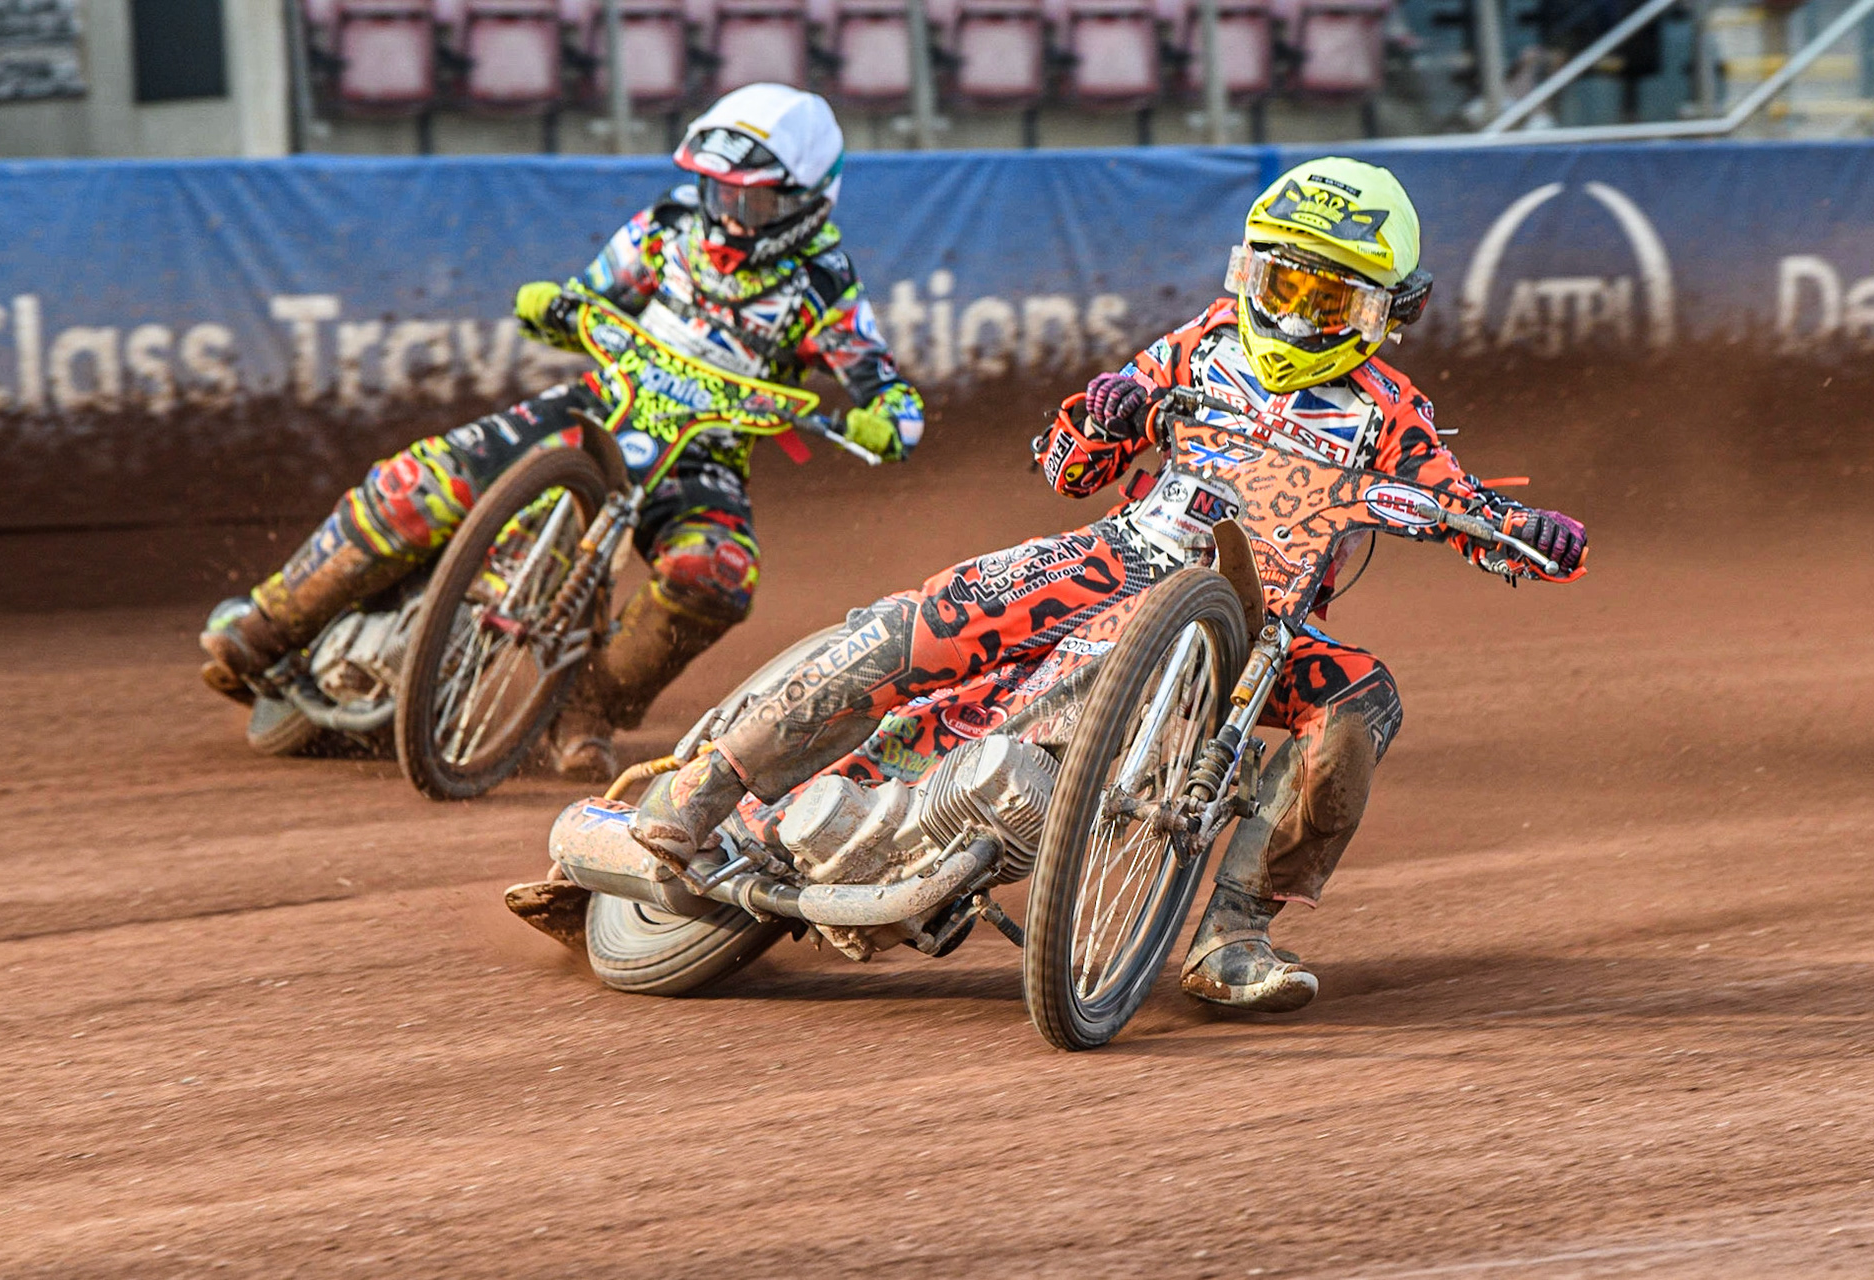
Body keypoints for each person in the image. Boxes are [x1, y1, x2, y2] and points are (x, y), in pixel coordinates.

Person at [626, 156, 1588, 1011]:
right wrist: (1106, 413)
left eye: (1327, 304)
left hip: (1269, 621)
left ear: (1386, 312)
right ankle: (709, 785)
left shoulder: (1392, 416)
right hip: (1122, 551)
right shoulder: (1200, 344)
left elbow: (1469, 511)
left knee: (1361, 704)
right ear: (1246, 273)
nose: (1293, 316)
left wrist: (1527, 535)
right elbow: (1067, 463)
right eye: (1279, 284)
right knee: (931, 617)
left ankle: (1233, 934)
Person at [199, 83, 925, 775]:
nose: (730, 214)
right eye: (718, 191)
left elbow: (887, 389)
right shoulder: (668, 227)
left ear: (805, 202)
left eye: (751, 200)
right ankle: (266, 629)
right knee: (418, 482)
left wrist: (887, 419)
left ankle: (588, 709)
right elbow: (587, 295)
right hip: (593, 408)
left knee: (718, 572)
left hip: (702, 457)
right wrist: (554, 305)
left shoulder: (826, 286)